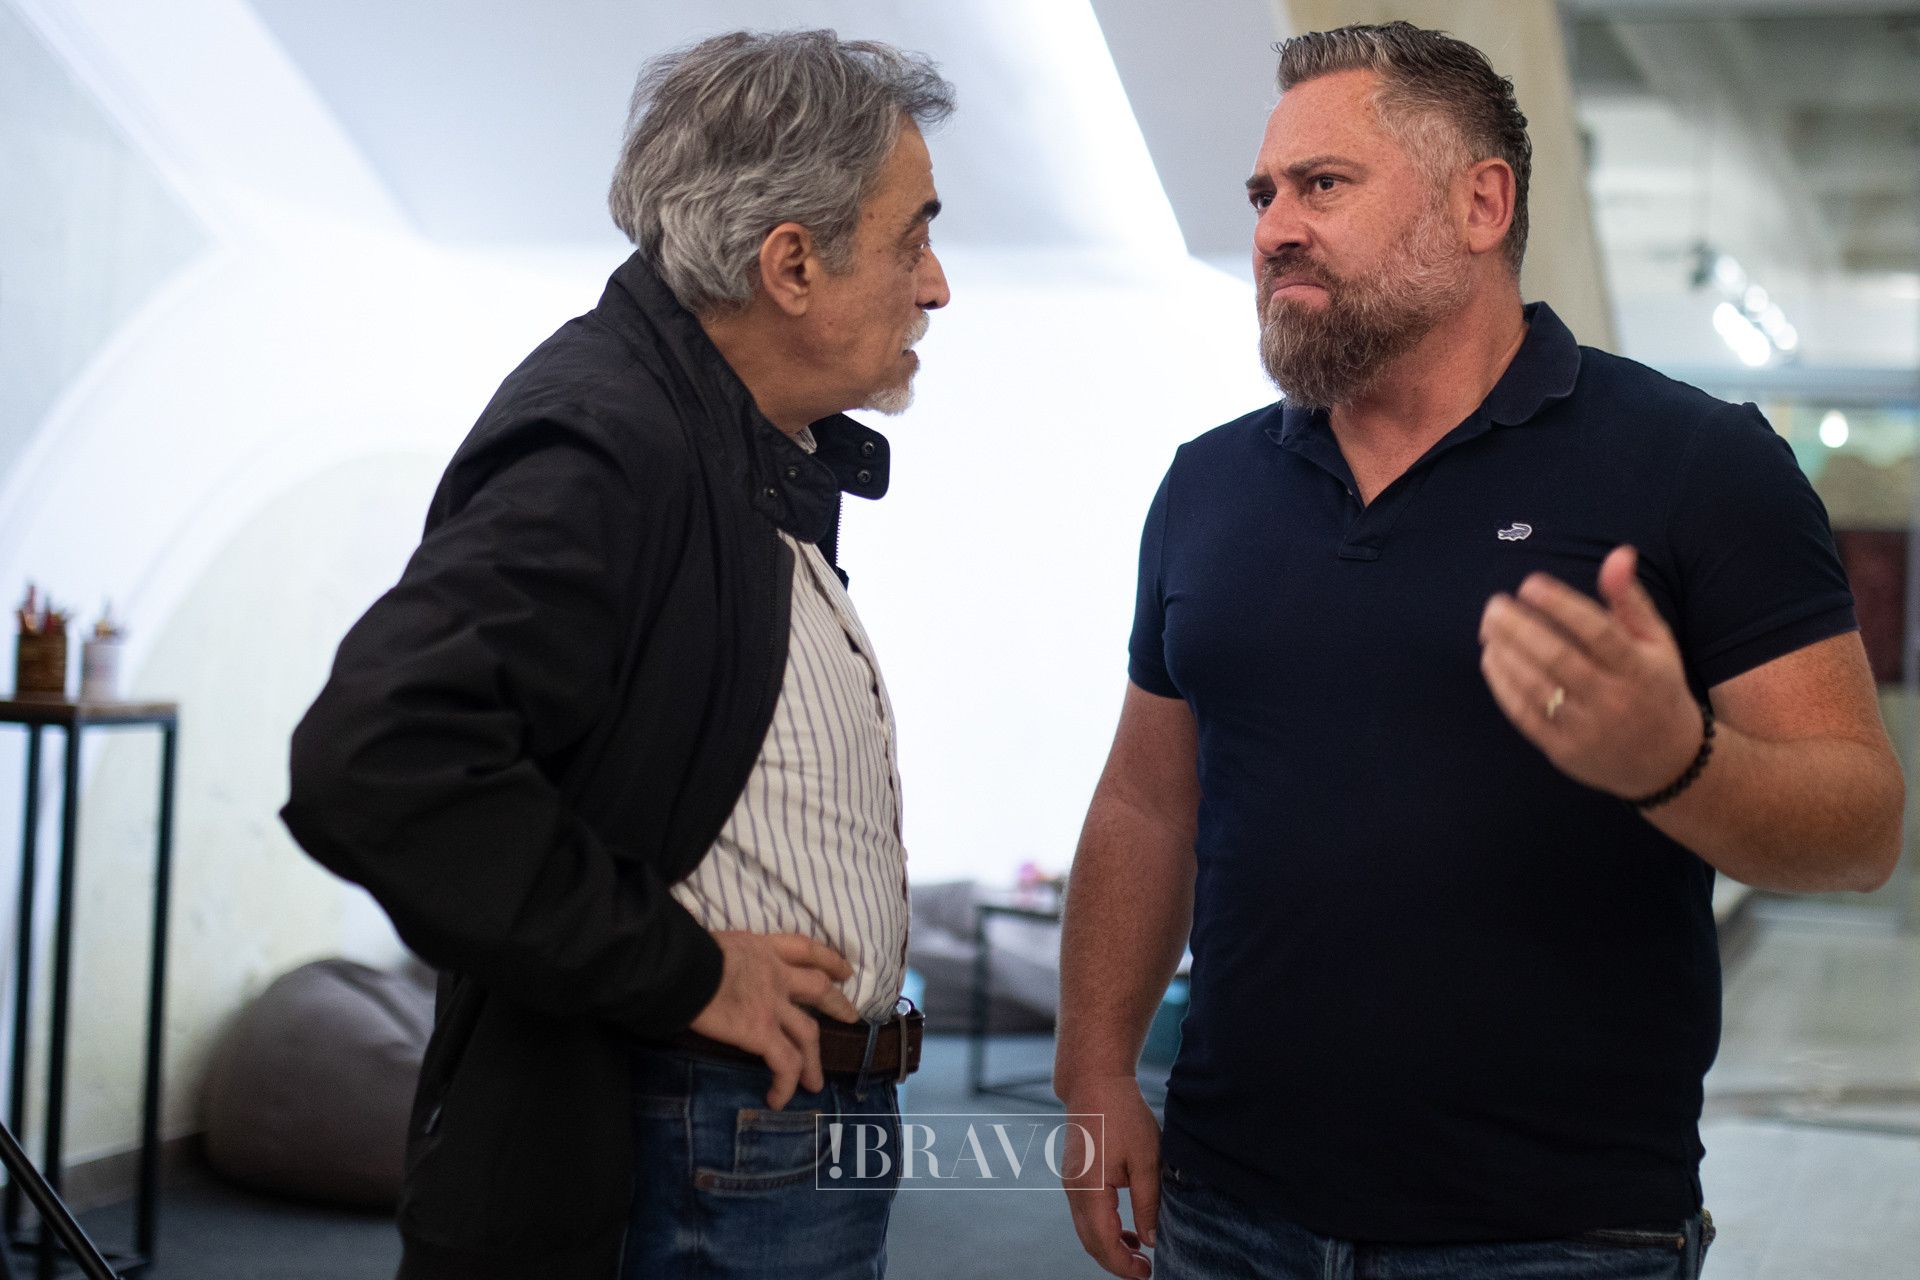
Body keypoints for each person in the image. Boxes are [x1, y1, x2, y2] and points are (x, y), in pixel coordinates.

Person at [1055, 20, 1902, 1280]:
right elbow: (1145, 799)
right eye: (1263, 193)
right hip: (1227, 1210)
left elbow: (1861, 827)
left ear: (1480, 204)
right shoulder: (1209, 485)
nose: (1274, 227)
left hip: (1556, 1232)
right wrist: (1094, 1064)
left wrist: (1679, 762)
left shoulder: (1695, 464)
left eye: (1322, 184)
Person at [282, 29, 952, 1280]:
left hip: (754, 1130)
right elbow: (374, 756)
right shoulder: (613, 439)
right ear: (791, 264)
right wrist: (682, 968)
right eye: (913, 238)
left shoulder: (725, 439)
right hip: (691, 1136)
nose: (937, 286)